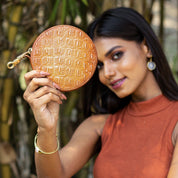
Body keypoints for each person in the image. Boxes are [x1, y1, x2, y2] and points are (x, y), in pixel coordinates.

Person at [23, 7, 178, 178]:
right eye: (99, 65)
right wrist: (46, 128)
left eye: (116, 55)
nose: (107, 73)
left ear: (146, 47)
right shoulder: (98, 126)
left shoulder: (174, 120)